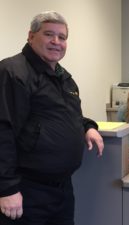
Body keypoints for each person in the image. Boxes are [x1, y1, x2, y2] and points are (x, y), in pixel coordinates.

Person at [0, 11, 104, 224]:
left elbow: (68, 116)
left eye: (62, 37)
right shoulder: (13, 72)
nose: (56, 42)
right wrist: (7, 188)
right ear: (31, 36)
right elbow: (3, 131)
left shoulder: (64, 77)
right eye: (49, 34)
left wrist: (88, 127)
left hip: (62, 190)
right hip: (26, 191)